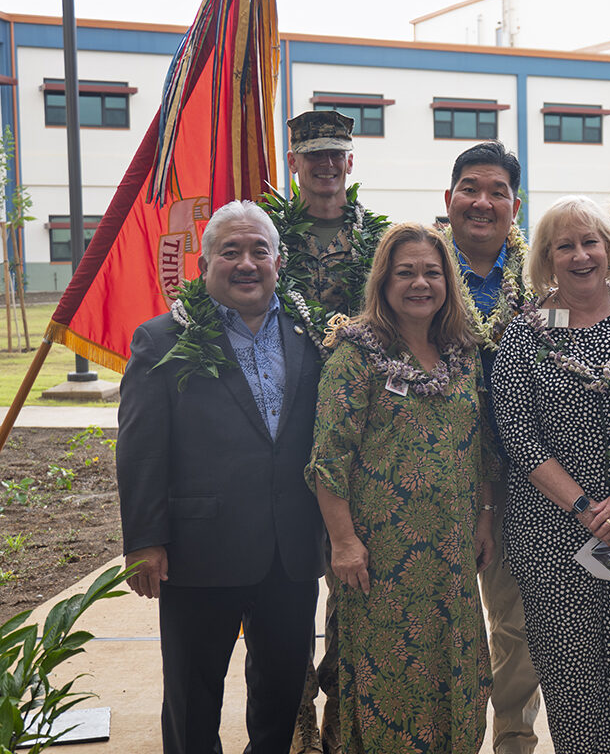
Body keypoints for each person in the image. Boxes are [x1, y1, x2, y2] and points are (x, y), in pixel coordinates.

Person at [117, 200, 325, 754]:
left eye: (260, 250)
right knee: (192, 696)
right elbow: (141, 448)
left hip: (292, 552)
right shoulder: (160, 340)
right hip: (198, 552)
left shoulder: (314, 336)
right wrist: (144, 540)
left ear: (279, 262)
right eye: (229, 251)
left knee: (280, 694)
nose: (246, 262)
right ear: (204, 264)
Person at [491, 196, 610, 754]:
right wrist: (585, 509)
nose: (581, 255)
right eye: (565, 245)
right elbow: (517, 434)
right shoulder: (525, 332)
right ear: (546, 259)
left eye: (591, 242)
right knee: (570, 676)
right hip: (552, 536)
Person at [306, 222, 497, 754]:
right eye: (405, 272)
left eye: (432, 272)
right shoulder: (355, 355)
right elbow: (328, 460)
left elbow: (482, 446)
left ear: (449, 282)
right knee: (389, 680)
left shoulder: (462, 353)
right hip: (380, 560)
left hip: (453, 554)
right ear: (383, 281)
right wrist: (343, 542)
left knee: (457, 672)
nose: (420, 283)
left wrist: (483, 518)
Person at [261, 109, 388, 754]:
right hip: (281, 428)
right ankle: (292, 714)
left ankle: (342, 710)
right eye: (313, 157)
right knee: (286, 583)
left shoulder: (380, 238)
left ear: (350, 163)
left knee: (350, 582)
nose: (326, 167)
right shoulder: (266, 235)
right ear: (295, 163)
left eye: (336, 155)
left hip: (361, 434)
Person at [443, 140, 542, 754]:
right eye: (470, 189)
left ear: (514, 204)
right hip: (432, 474)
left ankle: (511, 736)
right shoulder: (418, 267)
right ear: (448, 198)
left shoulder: (542, 275)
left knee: (516, 622)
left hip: (520, 475)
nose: (483, 203)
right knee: (433, 618)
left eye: (497, 192)